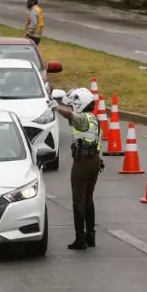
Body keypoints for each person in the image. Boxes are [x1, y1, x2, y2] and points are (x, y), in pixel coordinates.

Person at [50, 87, 104, 250]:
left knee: (78, 200)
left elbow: (71, 116)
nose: (73, 106)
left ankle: (80, 238)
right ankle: (90, 236)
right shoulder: (94, 119)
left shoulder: (83, 119)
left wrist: (57, 108)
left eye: (75, 103)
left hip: (83, 162)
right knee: (88, 199)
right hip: (95, 161)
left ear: (81, 103)